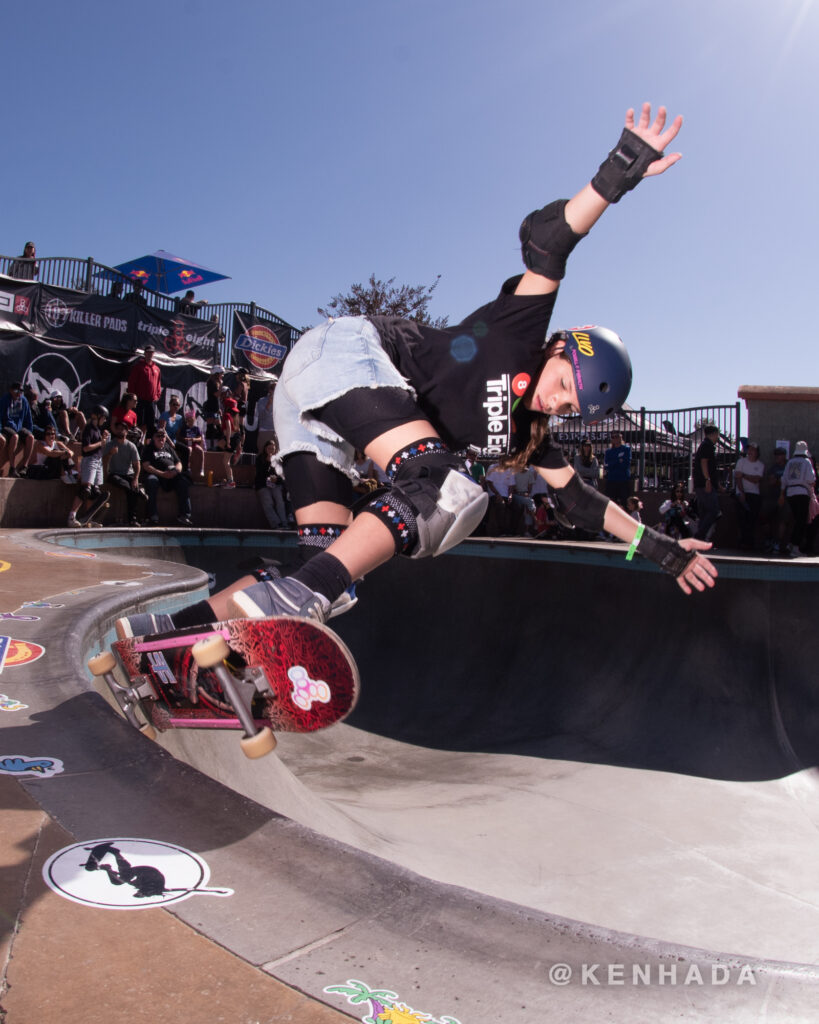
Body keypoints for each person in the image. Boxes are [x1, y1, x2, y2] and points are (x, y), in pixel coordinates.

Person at [115, 102, 717, 642]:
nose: (559, 403)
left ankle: (159, 638)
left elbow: (582, 503)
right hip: (343, 354)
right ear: (559, 349)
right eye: (565, 384)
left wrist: (663, 550)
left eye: (570, 408)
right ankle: (297, 600)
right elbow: (548, 242)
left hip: (315, 420)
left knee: (329, 570)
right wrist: (618, 172)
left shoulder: (521, 438)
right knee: (445, 491)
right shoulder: (519, 330)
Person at [67, 405, 110, 526]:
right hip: (90, 460)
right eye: (104, 418)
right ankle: (71, 517)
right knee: (85, 490)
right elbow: (86, 448)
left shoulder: (97, 429)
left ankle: (88, 518)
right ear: (99, 416)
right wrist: (100, 442)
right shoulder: (89, 429)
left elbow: (99, 446)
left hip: (98, 460)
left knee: (94, 491)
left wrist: (104, 438)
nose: (105, 421)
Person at [141, 427, 192, 525]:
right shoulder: (149, 448)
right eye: (158, 436)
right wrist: (162, 474)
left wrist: (175, 472)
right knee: (151, 481)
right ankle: (152, 516)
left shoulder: (168, 447)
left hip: (171, 474)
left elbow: (179, 463)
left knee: (183, 482)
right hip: (156, 474)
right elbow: (146, 466)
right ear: (153, 437)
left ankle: (184, 516)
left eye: (163, 436)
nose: (161, 438)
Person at [104, 419, 146, 526]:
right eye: (118, 429)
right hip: (114, 473)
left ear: (126, 432)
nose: (120, 431)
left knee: (133, 488)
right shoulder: (110, 444)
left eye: (122, 429)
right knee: (130, 488)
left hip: (128, 474)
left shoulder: (131, 446)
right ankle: (138, 492)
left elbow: (137, 465)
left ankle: (133, 519)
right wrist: (110, 454)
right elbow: (103, 461)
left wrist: (136, 478)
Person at [781, 441, 817, 556]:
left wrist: (782, 494)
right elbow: (811, 479)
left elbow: (784, 479)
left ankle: (791, 543)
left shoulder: (790, 462)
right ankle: (795, 546)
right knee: (801, 521)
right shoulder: (806, 462)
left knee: (797, 520)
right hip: (802, 493)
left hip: (790, 493)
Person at [692, 425, 724, 542]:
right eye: (717, 434)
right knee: (713, 511)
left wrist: (717, 484)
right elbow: (704, 463)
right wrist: (708, 480)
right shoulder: (707, 446)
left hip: (704, 483)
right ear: (714, 433)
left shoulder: (707, 446)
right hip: (704, 484)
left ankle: (699, 538)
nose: (718, 437)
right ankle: (699, 535)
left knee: (705, 512)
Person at [760, 447, 791, 555]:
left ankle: (779, 543)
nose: (777, 457)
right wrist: (780, 481)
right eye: (776, 455)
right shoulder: (773, 468)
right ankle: (769, 540)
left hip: (785, 497)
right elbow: (771, 482)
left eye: (779, 455)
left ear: (784, 456)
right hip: (772, 497)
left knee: (783, 520)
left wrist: (778, 480)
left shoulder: (789, 466)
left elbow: (788, 482)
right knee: (763, 516)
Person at [733, 441, 764, 549]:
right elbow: (737, 477)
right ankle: (742, 542)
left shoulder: (760, 465)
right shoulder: (741, 462)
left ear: (757, 452)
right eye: (749, 449)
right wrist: (741, 492)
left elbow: (756, 479)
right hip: (741, 493)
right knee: (742, 519)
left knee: (752, 519)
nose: (750, 451)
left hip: (754, 494)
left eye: (752, 450)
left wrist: (744, 475)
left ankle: (749, 543)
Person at [0, 382, 35, 477]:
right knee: (15, 437)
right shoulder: (4, 400)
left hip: (19, 427)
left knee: (30, 438)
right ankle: (12, 467)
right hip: (7, 426)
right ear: (11, 390)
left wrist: (29, 430)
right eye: (16, 391)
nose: (18, 393)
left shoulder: (24, 401)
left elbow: (28, 418)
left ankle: (24, 467)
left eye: (21, 391)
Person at [127, 345, 162, 438]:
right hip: (139, 400)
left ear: (153, 354)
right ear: (145, 353)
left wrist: (157, 395)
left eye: (151, 352)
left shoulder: (157, 369)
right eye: (148, 352)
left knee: (150, 424)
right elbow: (132, 382)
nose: (150, 354)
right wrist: (133, 397)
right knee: (138, 422)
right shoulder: (138, 367)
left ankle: (147, 444)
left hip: (151, 401)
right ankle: (137, 441)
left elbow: (158, 384)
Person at [255, 438, 289, 529]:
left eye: (272, 449)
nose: (271, 451)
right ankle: (276, 524)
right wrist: (267, 462)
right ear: (265, 449)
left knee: (280, 501)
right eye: (269, 448)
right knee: (268, 502)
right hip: (263, 484)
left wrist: (276, 479)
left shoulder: (278, 459)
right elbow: (260, 474)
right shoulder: (260, 459)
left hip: (275, 484)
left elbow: (281, 475)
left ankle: (284, 523)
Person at [603, 430, 632, 508]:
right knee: (610, 504)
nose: (615, 438)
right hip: (611, 480)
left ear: (621, 437)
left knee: (624, 504)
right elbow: (606, 465)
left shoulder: (626, 449)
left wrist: (613, 462)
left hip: (623, 480)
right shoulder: (608, 451)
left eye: (617, 436)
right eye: (613, 437)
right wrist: (618, 460)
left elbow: (626, 464)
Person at [179, 409, 206, 480]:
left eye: (192, 420)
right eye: (189, 420)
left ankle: (202, 469)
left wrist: (194, 439)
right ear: (187, 420)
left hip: (194, 443)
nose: (191, 421)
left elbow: (200, 438)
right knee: (189, 450)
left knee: (201, 451)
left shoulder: (196, 428)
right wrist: (186, 439)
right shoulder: (184, 428)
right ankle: (188, 467)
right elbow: (181, 437)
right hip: (187, 444)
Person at [255, 380, 277, 453]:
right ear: (269, 390)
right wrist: (269, 404)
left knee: (277, 457)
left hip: (277, 432)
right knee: (262, 454)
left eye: (277, 388)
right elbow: (261, 416)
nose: (275, 390)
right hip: (265, 431)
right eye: (273, 388)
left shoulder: (281, 401)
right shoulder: (262, 400)